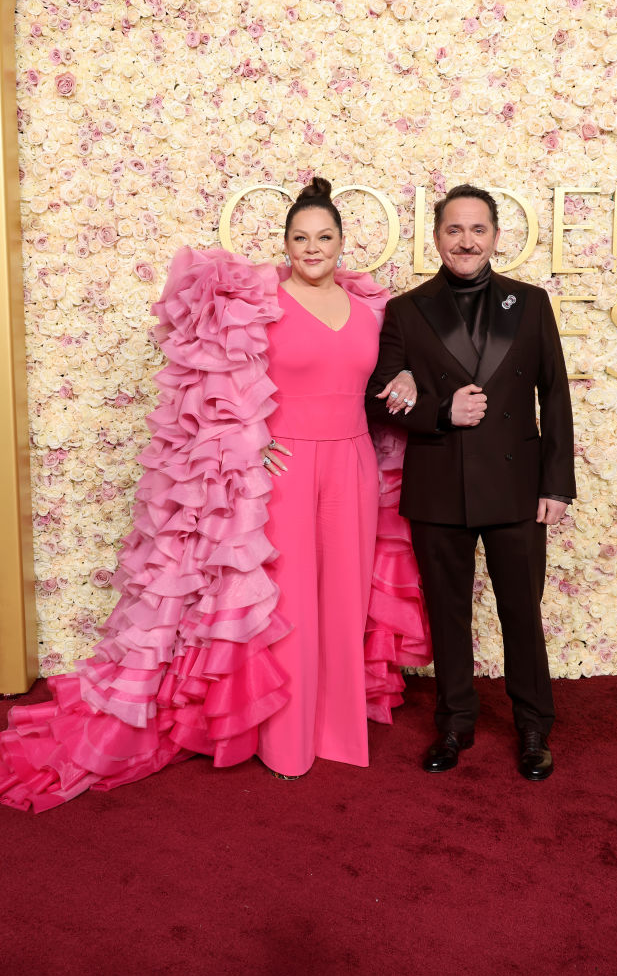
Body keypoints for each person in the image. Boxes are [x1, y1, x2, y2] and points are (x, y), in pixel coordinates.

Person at [0, 178, 420, 811]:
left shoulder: (373, 310)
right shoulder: (259, 302)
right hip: (282, 470)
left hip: (355, 463)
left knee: (345, 594)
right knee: (293, 601)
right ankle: (286, 742)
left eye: (325, 236)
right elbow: (213, 383)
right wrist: (251, 442)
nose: (313, 247)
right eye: (300, 237)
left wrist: (409, 373)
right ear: (284, 244)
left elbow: (387, 377)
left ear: (342, 243)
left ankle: (339, 730)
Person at [365, 184, 576, 781]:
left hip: (516, 489)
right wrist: (438, 410)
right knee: (449, 613)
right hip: (439, 486)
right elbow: (380, 398)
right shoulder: (406, 310)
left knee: (520, 612)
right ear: (436, 238)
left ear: (495, 237)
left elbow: (554, 396)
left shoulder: (531, 303)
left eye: (477, 229)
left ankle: (534, 726)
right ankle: (455, 725)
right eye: (454, 230)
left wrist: (556, 486)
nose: (466, 240)